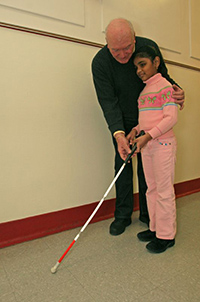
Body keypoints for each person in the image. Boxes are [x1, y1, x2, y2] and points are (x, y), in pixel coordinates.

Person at [91, 18, 184, 236]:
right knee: (122, 164)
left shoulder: (146, 47)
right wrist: (119, 133)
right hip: (122, 122)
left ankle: (148, 216)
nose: (124, 55)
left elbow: (164, 77)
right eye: (116, 51)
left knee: (149, 171)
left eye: (127, 49)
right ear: (107, 44)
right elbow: (107, 101)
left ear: (135, 39)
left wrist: (177, 90)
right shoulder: (100, 62)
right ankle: (122, 215)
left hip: (150, 117)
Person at [128, 45, 178, 253]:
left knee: (164, 191)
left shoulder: (166, 86)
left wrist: (148, 135)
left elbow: (171, 118)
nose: (139, 70)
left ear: (156, 62)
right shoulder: (144, 90)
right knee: (152, 189)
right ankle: (155, 228)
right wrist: (136, 130)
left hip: (163, 145)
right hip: (147, 145)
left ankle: (167, 236)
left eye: (143, 64)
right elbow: (147, 119)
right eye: (136, 67)